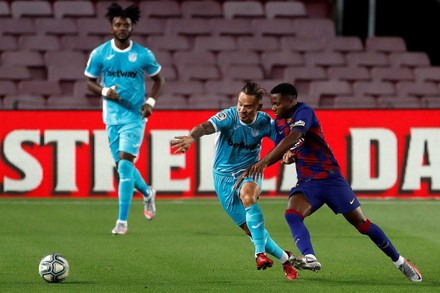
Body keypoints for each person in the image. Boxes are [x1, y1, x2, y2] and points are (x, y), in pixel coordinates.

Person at [237, 82, 422, 282]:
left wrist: (264, 162)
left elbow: (295, 136)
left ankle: (400, 261)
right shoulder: (279, 123)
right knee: (292, 214)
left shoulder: (304, 112)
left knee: (362, 225)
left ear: (291, 101)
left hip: (331, 179)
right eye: (272, 104)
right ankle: (310, 257)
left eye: (277, 103)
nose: (273, 108)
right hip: (308, 182)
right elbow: (285, 148)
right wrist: (288, 156)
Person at [171, 82, 298, 280]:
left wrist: (289, 152)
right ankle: (285, 260)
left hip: (249, 171)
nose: (242, 109)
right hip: (222, 178)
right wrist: (191, 137)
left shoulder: (264, 122)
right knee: (252, 230)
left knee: (249, 196)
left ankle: (259, 254)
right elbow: (204, 127)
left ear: (258, 107)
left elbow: (282, 141)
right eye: (240, 104)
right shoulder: (229, 117)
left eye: (247, 106)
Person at [84, 3, 165, 235]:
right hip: (111, 117)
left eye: (126, 24)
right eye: (118, 24)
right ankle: (148, 193)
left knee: (126, 164)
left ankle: (122, 222)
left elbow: (160, 80)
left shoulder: (143, 54)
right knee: (122, 167)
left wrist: (150, 102)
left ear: (132, 27)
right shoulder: (100, 53)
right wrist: (104, 91)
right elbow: (89, 81)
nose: (122, 28)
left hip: (135, 116)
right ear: (112, 27)